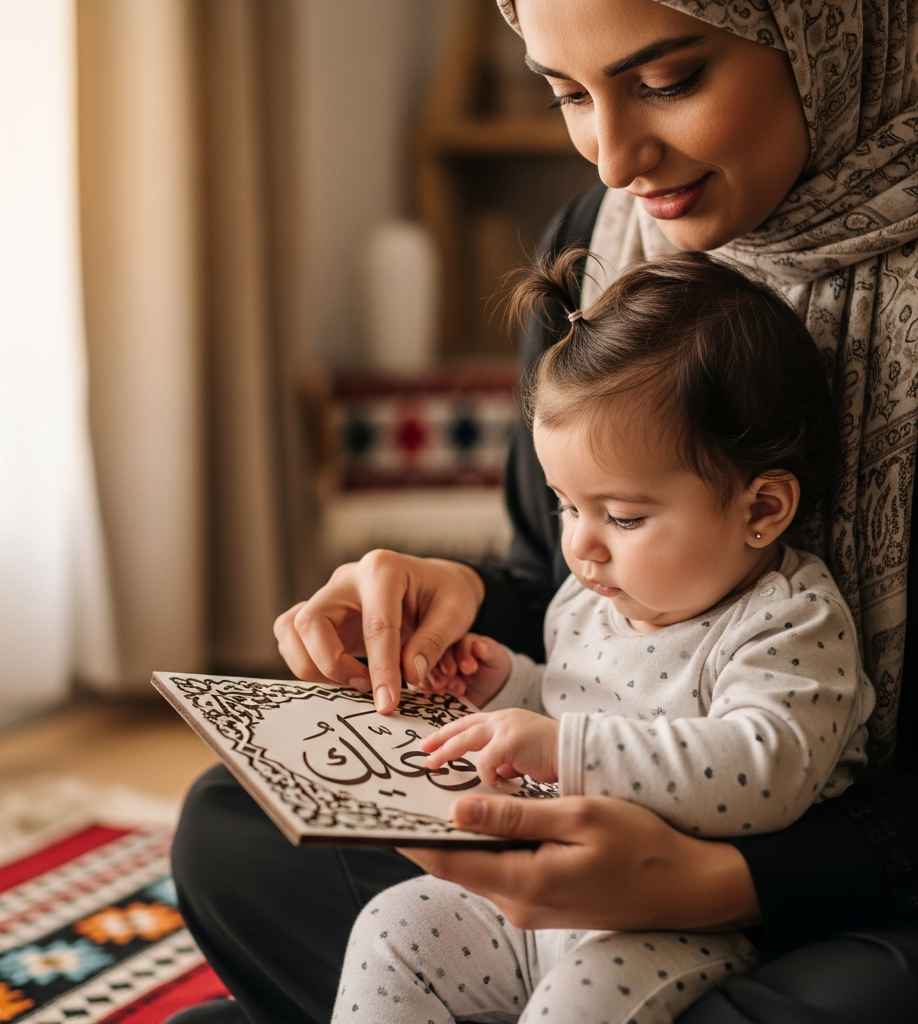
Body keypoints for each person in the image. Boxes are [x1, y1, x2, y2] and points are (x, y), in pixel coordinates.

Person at [170, 2, 918, 1022]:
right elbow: (578, 611)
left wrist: (703, 882)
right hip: (561, 877)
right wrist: (469, 611)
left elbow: (763, 755)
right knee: (233, 822)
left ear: (831, 32)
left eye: (667, 81)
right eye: (568, 93)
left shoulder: (788, 621)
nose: (614, 160)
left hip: (815, 897)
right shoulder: (595, 250)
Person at [329, 250, 876, 1024]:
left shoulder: (787, 618)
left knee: (576, 1007)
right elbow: (567, 700)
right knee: (393, 926)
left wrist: (563, 751)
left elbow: (767, 767)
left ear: (762, 510)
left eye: (622, 516)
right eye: (565, 506)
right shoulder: (593, 598)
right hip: (541, 895)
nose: (581, 546)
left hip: (672, 924)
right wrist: (504, 684)